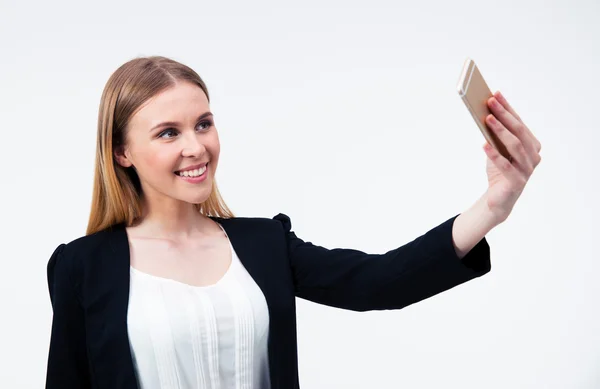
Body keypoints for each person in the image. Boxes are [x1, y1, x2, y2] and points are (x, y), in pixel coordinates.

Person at [45, 56, 542, 389]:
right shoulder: (82, 267)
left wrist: (493, 206)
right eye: (168, 132)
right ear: (122, 152)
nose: (196, 147)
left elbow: (380, 282)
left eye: (204, 123)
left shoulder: (264, 243)